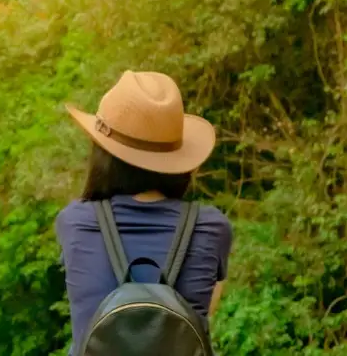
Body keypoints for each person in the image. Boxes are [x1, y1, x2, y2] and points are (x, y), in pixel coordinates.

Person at [55, 70, 233, 355]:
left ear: (103, 155)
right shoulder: (211, 227)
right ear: (178, 160)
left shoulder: (75, 222)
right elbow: (202, 312)